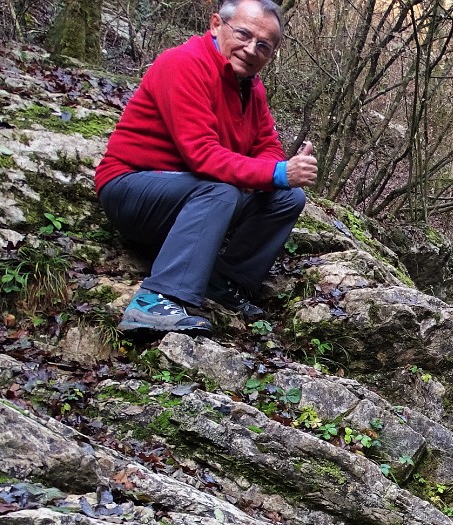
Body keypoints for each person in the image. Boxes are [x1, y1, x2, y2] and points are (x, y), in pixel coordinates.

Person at [94, 0, 318, 336]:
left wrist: (282, 170)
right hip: (131, 189)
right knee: (220, 189)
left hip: (188, 199)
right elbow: (202, 155)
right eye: (243, 34)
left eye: (263, 46)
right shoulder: (183, 63)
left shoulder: (252, 89)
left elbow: (266, 146)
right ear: (216, 24)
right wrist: (278, 173)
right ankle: (155, 300)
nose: (250, 49)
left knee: (288, 198)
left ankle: (222, 280)